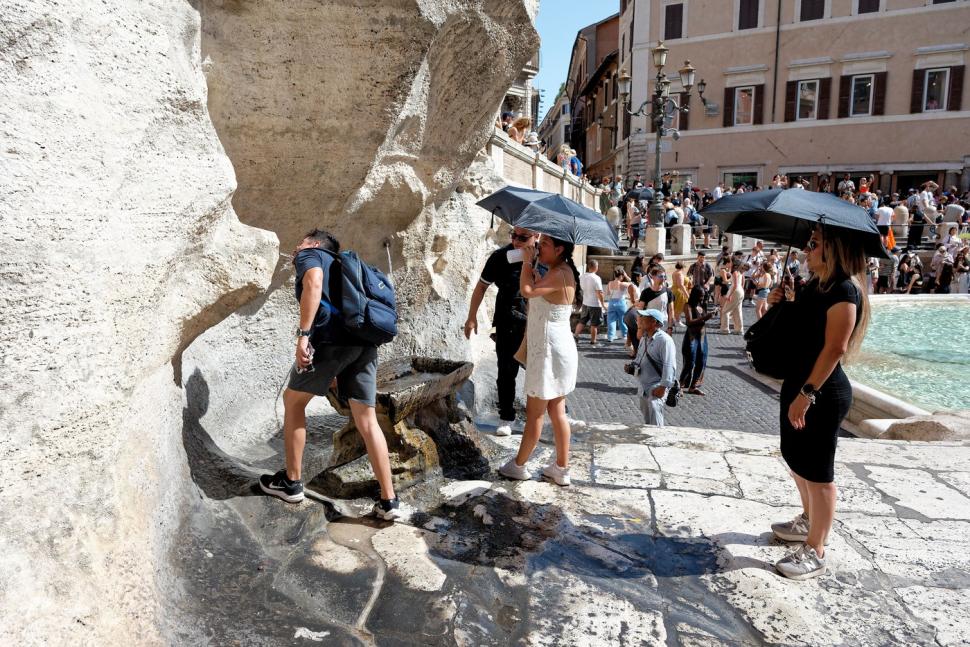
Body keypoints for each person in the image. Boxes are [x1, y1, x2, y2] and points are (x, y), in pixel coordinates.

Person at [259, 229, 403, 520]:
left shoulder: (312, 255)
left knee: (293, 402)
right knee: (367, 420)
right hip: (363, 344)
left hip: (331, 344)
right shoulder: (345, 267)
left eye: (299, 242)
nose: (296, 248)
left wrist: (303, 335)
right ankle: (389, 502)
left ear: (313, 243)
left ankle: (291, 482)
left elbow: (313, 283)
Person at [767, 224, 870, 580]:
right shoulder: (816, 285)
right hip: (800, 383)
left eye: (815, 243)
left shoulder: (844, 291)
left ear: (833, 249)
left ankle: (816, 549)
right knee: (795, 459)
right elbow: (802, 333)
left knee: (819, 474)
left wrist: (806, 395)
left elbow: (835, 348)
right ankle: (808, 521)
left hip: (821, 392)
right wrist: (781, 303)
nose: (808, 248)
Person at [499, 235, 579, 487]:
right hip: (557, 348)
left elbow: (528, 291)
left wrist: (525, 263)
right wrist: (532, 267)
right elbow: (538, 292)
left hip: (547, 351)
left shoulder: (560, 273)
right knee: (556, 410)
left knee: (535, 413)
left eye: (544, 244)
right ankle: (561, 468)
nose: (538, 246)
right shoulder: (559, 271)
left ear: (559, 248)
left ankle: (519, 465)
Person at [464, 227, 538, 437]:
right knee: (506, 371)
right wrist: (471, 317)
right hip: (508, 321)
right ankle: (507, 417)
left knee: (542, 370)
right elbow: (481, 287)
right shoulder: (500, 257)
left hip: (537, 321)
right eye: (513, 235)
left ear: (536, 236)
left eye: (523, 238)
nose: (516, 241)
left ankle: (551, 415)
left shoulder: (545, 256)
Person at [631, 308, 677, 427]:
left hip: (656, 387)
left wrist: (663, 387)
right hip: (643, 387)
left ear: (654, 322)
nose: (640, 320)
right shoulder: (644, 338)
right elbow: (639, 357)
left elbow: (669, 365)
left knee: (656, 421)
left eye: (644, 318)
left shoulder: (665, 341)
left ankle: (658, 443)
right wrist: (632, 366)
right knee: (647, 421)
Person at [680, 286, 713, 395]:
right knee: (690, 363)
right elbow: (689, 322)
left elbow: (704, 317)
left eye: (703, 296)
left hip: (702, 338)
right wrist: (705, 318)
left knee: (701, 362)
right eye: (700, 296)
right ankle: (680, 385)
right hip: (692, 337)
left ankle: (693, 386)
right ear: (695, 295)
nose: (702, 298)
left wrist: (711, 314)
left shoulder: (702, 305)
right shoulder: (688, 306)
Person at [574, 259, 605, 346]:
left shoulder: (582, 276)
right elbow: (599, 293)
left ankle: (575, 335)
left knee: (582, 321)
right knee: (594, 324)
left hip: (585, 302)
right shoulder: (596, 278)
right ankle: (593, 340)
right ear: (596, 267)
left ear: (588, 266)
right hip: (595, 304)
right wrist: (602, 304)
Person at [606, 267, 636, 342]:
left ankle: (610, 336)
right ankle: (625, 334)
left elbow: (608, 293)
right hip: (621, 303)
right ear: (621, 276)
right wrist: (626, 276)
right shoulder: (622, 284)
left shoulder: (610, 283)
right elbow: (632, 284)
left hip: (611, 303)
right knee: (622, 320)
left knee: (611, 320)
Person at [719, 258, 744, 334]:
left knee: (725, 310)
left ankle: (725, 329)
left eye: (730, 262)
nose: (729, 263)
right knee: (737, 311)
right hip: (740, 291)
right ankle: (739, 329)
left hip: (735, 291)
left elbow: (734, 285)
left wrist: (729, 295)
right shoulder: (739, 272)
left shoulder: (734, 272)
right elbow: (740, 282)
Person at [671, 262, 689, 327]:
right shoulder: (680, 274)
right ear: (682, 267)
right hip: (679, 292)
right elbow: (681, 285)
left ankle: (675, 320)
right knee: (679, 307)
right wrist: (687, 295)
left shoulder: (674, 273)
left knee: (675, 306)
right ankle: (677, 321)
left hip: (674, 290)